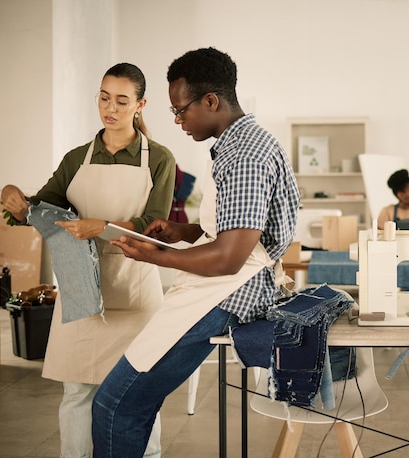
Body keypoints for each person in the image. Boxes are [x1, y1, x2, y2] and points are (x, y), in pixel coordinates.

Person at [91, 47, 300, 458]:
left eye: (180, 110)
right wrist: (179, 231)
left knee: (115, 404)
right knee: (128, 402)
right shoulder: (239, 144)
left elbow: (229, 257)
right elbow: (230, 230)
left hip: (226, 290)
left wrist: (153, 255)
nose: (178, 121)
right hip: (222, 283)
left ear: (210, 101)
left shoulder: (244, 155)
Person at [1, 63, 176, 458]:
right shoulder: (77, 158)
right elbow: (38, 209)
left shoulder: (159, 159)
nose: (109, 108)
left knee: (138, 392)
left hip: (134, 291)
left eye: (121, 100)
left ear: (140, 105)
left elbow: (155, 225)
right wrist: (13, 197)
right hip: (80, 288)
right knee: (77, 392)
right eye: (103, 97)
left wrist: (103, 226)